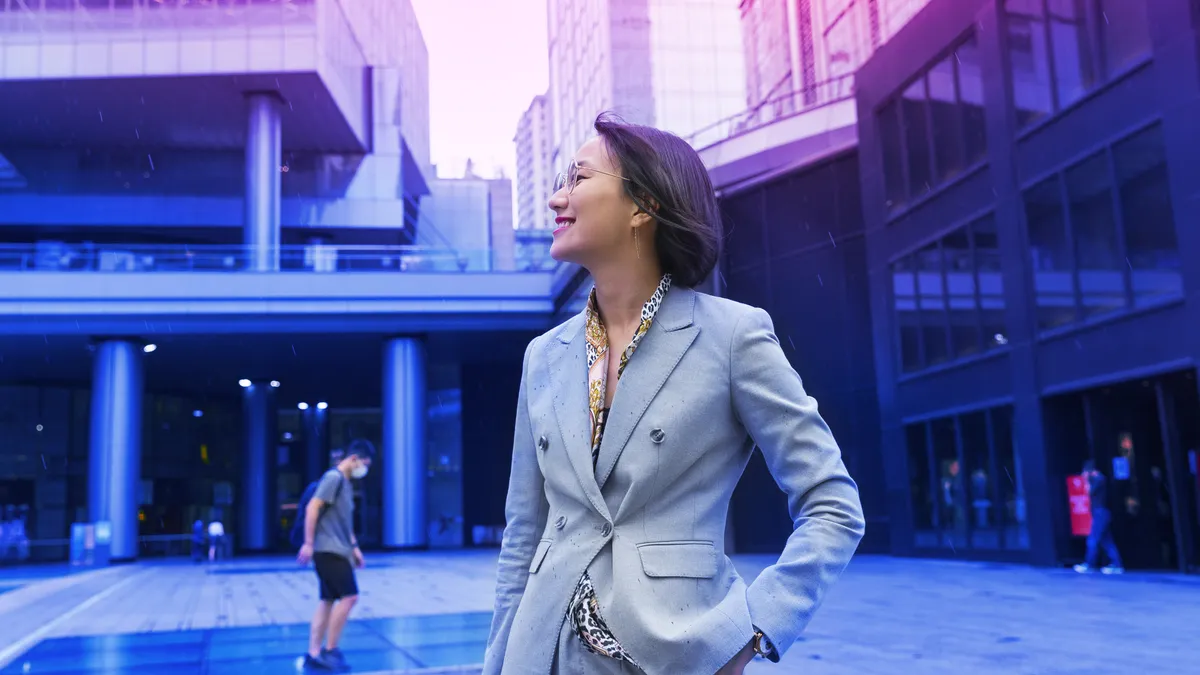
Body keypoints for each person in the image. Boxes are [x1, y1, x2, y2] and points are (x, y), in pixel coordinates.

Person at [483, 113, 866, 675]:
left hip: (673, 654)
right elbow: (524, 532)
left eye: (579, 179)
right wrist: (497, 662)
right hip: (542, 653)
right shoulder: (543, 355)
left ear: (642, 207)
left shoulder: (732, 335)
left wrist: (754, 630)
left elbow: (832, 503)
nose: (556, 198)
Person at [296, 444, 373, 672]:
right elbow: (313, 508)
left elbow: (344, 523)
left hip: (336, 549)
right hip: (328, 549)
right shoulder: (333, 477)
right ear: (354, 458)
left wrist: (355, 549)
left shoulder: (346, 483)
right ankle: (330, 650)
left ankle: (314, 652)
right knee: (350, 597)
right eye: (364, 465)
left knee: (328, 600)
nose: (364, 470)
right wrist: (308, 543)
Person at [1074, 459, 1124, 574]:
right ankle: (1117, 564)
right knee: (1107, 541)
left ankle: (1089, 564)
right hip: (1101, 513)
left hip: (1100, 513)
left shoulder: (1099, 479)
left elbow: (1089, 492)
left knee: (1093, 539)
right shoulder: (1099, 479)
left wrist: (1087, 480)